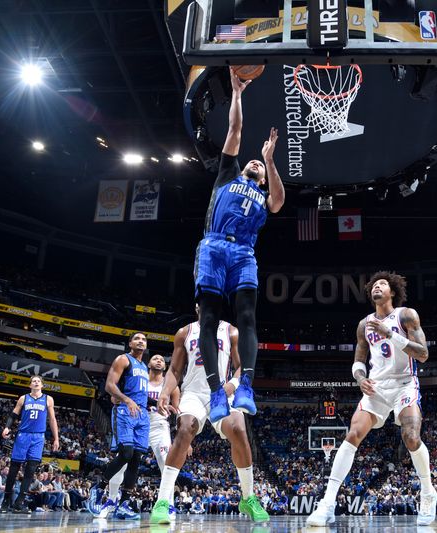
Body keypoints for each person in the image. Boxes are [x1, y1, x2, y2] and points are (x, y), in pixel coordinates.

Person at [307, 272, 437, 526]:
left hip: (404, 383)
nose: (377, 286)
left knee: (411, 437)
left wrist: (390, 334)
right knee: (352, 434)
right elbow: (358, 359)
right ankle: (327, 503)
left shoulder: (406, 315)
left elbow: (423, 354)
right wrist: (359, 378)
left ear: (393, 292)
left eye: (383, 284)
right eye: (374, 285)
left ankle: (428, 492)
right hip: (377, 386)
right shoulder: (363, 324)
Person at [193, 68, 284, 425]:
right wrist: (237, 93)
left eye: (258, 166)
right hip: (213, 247)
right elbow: (235, 130)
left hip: (244, 253)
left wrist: (272, 160)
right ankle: (217, 391)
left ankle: (245, 384)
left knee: (247, 317)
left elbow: (279, 202)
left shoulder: (264, 194)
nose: (255, 163)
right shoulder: (227, 175)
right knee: (209, 320)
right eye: (255, 162)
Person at [151, 305, 269, 524]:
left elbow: (242, 365)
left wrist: (232, 386)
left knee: (238, 427)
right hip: (193, 393)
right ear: (196, 306)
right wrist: (165, 392)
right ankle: (163, 501)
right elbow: (175, 370)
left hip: (221, 391)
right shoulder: (184, 332)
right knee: (185, 428)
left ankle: (248, 497)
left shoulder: (230, 331)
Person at [96, 353, 180, 522]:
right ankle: (111, 501)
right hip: (134, 423)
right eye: (155, 358)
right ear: (148, 363)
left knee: (166, 463)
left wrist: (180, 438)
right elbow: (114, 397)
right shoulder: (136, 379)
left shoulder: (171, 386)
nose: (159, 360)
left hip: (158, 427)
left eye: (162, 360)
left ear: (165, 366)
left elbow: (177, 414)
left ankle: (167, 503)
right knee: (122, 463)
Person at [91, 332, 150, 520]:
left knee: (136, 459)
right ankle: (98, 488)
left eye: (144, 340)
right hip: (125, 409)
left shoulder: (144, 367)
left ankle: (123, 503)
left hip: (141, 413)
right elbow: (109, 385)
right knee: (126, 453)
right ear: (130, 343)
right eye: (137, 339)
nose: (141, 341)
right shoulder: (123, 359)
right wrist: (126, 399)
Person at [0, 375, 60, 514]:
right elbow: (13, 415)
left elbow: (52, 419)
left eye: (39, 381)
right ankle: (6, 500)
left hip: (38, 437)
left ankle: (19, 502)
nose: (36, 382)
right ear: (30, 385)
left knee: (31, 469)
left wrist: (56, 438)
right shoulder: (23, 398)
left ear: (42, 385)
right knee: (14, 468)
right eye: (34, 381)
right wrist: (7, 427)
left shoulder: (48, 399)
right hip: (23, 435)